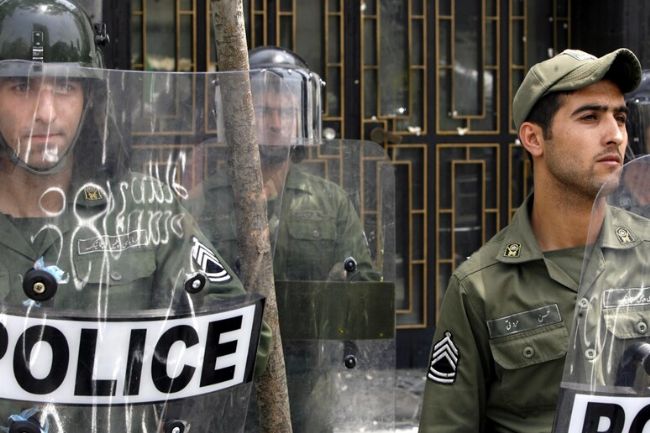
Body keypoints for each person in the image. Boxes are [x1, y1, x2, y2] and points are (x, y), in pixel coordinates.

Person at [0, 1, 268, 431]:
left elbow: (248, 340)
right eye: (21, 87)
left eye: (65, 86)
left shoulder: (146, 208)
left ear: (90, 98)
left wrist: (153, 357)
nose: (45, 113)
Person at [418, 47, 642, 432]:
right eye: (590, 117)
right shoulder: (480, 287)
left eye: (619, 117)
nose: (616, 135)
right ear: (534, 138)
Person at [191, 46, 380, 432]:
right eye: (263, 111)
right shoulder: (204, 203)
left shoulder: (329, 202)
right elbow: (184, 301)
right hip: (228, 392)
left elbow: (365, 301)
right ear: (240, 116)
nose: (275, 123)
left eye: (286, 112)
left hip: (308, 395)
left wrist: (334, 293)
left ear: (301, 119)